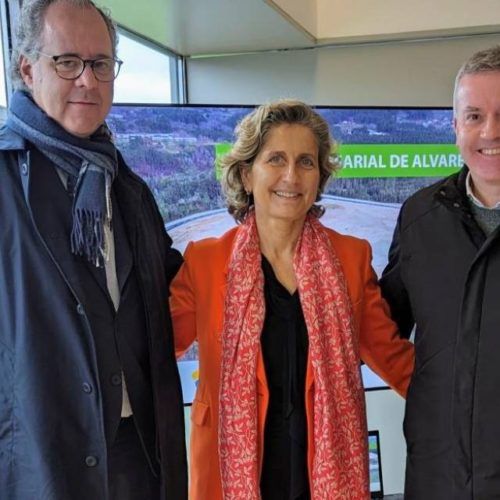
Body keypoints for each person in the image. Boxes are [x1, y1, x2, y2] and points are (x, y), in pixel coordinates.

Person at [170, 99, 414, 499]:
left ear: (319, 176)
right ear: (247, 175)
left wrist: (469, 405)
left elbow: (393, 358)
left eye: (306, 162)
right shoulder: (205, 261)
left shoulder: (351, 259)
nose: (291, 176)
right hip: (231, 474)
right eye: (276, 159)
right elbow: (155, 349)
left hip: (323, 475)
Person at [0, 1, 187, 499]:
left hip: (137, 454)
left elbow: (172, 293)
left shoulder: (127, 186)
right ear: (27, 68)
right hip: (41, 459)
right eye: (68, 62)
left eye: (101, 64)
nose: (88, 80)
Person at [380, 45, 500, 499]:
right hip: (440, 475)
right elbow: (383, 324)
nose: (490, 131)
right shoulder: (420, 217)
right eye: (474, 116)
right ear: (455, 128)